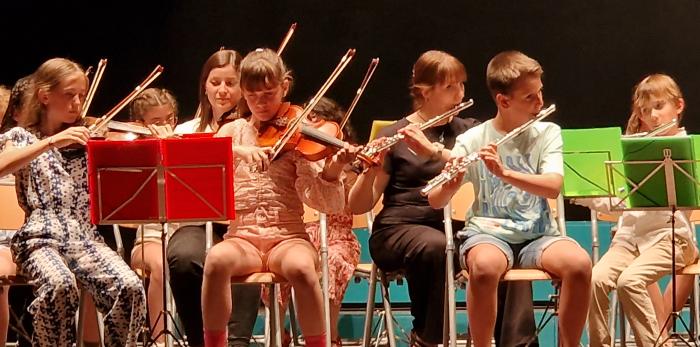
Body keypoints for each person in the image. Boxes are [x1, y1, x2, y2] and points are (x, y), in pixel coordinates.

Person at [427, 50, 592, 347]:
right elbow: (436, 201)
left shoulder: (547, 133)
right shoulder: (474, 139)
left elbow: (552, 187)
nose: (540, 103)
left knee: (579, 264)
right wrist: (450, 183)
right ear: (503, 101)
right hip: (488, 234)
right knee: (485, 267)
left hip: (539, 235)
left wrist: (504, 173)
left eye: (540, 93)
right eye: (530, 97)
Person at [201, 48, 357, 347]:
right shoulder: (232, 131)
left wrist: (333, 169)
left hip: (288, 236)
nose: (260, 103)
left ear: (284, 87)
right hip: (242, 238)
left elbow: (325, 202)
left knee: (300, 267)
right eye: (252, 95)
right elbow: (202, 155)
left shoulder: (299, 132)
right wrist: (237, 151)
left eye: (269, 94)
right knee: (216, 260)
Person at [0, 58, 146, 346]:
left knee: (129, 287)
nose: (77, 103)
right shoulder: (21, 137)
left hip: (85, 238)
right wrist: (52, 142)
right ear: (44, 96)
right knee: (59, 286)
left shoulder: (89, 137)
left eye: (81, 95)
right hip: (39, 239)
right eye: (69, 95)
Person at [348, 50, 480, 347]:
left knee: (490, 249)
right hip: (397, 229)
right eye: (450, 87)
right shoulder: (395, 135)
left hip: (453, 226)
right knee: (435, 248)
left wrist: (434, 152)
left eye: (462, 85)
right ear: (424, 91)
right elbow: (358, 206)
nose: (459, 94)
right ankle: (428, 339)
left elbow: (482, 168)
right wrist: (368, 170)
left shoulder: (469, 132)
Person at [576, 73, 697, 347]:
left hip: (671, 238)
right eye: (644, 111)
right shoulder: (633, 150)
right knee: (595, 280)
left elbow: (690, 201)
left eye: (659, 107)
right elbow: (620, 205)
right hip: (630, 240)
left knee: (630, 281)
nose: (652, 117)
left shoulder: (688, 150)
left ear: (678, 106)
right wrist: (581, 193)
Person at [166, 49, 263, 347]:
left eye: (231, 83)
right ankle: (200, 341)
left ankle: (236, 343)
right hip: (196, 223)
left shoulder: (257, 129)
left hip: (242, 227)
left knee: (242, 261)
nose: (222, 91)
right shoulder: (185, 132)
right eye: (215, 82)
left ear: (243, 88)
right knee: (183, 258)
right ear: (204, 86)